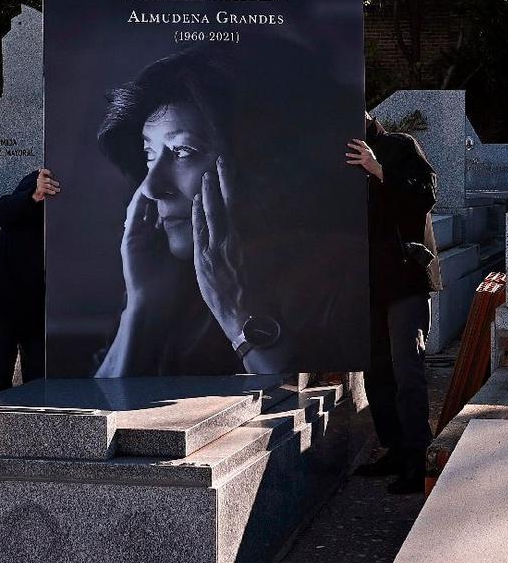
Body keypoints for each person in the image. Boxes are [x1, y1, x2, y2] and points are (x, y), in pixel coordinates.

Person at [94, 39, 359, 377]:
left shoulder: (342, 275)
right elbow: (97, 406)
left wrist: (236, 311)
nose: (151, 186)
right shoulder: (167, 276)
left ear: (259, 161)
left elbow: (321, 411)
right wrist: (140, 306)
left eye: (183, 151)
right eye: (149, 154)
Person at [348, 113, 443, 494]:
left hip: (405, 278)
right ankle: (395, 449)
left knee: (407, 371)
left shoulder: (400, 145)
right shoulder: (338, 155)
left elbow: (426, 194)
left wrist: (377, 168)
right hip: (366, 282)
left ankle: (418, 459)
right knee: (377, 371)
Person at [0, 168, 59, 396]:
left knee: (38, 387)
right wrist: (34, 195)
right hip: (0, 297)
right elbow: (0, 213)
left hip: (41, 307)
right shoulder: (44, 177)